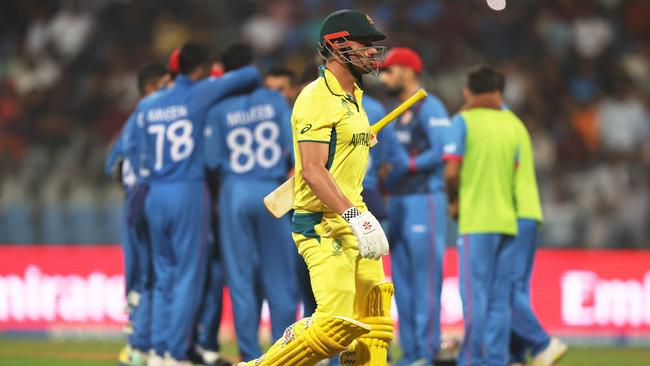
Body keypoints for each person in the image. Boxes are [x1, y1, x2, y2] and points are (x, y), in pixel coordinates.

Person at [240, 9, 393, 366]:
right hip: (323, 223)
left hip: (352, 216)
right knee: (332, 326)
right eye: (365, 44)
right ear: (337, 45)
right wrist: (355, 215)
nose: (373, 51)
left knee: (375, 321)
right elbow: (311, 170)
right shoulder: (315, 98)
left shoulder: (353, 94)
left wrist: (357, 142)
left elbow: (337, 157)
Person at [128, 42, 261, 365]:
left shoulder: (148, 106)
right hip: (187, 189)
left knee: (163, 276)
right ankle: (176, 353)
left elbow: (136, 156)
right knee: (188, 276)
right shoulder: (200, 93)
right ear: (200, 69)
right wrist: (217, 77)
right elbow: (250, 74)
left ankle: (158, 352)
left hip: (152, 192)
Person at [204, 42, 298, 361]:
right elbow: (293, 150)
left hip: (235, 192)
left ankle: (248, 357)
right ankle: (284, 355)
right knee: (281, 278)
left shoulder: (218, 110)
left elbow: (212, 162)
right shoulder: (274, 100)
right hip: (272, 191)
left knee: (241, 280)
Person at [443, 65, 520, 366]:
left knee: (475, 296)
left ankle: (473, 359)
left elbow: (451, 172)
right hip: (507, 219)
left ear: (468, 91)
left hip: (476, 219)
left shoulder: (463, 121)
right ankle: (497, 359)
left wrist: (453, 200)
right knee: (500, 298)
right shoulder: (511, 123)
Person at [379, 47, 450, 365]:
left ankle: (427, 351)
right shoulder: (399, 110)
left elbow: (441, 151)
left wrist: (405, 166)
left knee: (425, 280)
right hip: (399, 201)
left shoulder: (429, 106)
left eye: (389, 70)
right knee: (403, 282)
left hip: (425, 199)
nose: (384, 77)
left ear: (408, 71)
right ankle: (411, 352)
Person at [165, 48, 231, 366]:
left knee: (209, 279)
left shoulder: (196, 106)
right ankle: (188, 344)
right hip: (205, 203)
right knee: (201, 278)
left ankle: (197, 344)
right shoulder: (203, 108)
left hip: (212, 204)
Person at [104, 62, 169, 366]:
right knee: (150, 276)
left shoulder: (138, 119)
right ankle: (144, 343)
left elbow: (113, 164)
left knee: (145, 277)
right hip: (148, 202)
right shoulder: (148, 116)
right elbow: (113, 164)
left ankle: (141, 344)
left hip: (141, 202)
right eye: (163, 84)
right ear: (149, 88)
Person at [509, 115, 568, 366]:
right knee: (518, 288)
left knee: (503, 288)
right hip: (529, 212)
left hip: (510, 216)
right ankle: (515, 355)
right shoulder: (515, 128)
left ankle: (541, 342)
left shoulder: (492, 129)